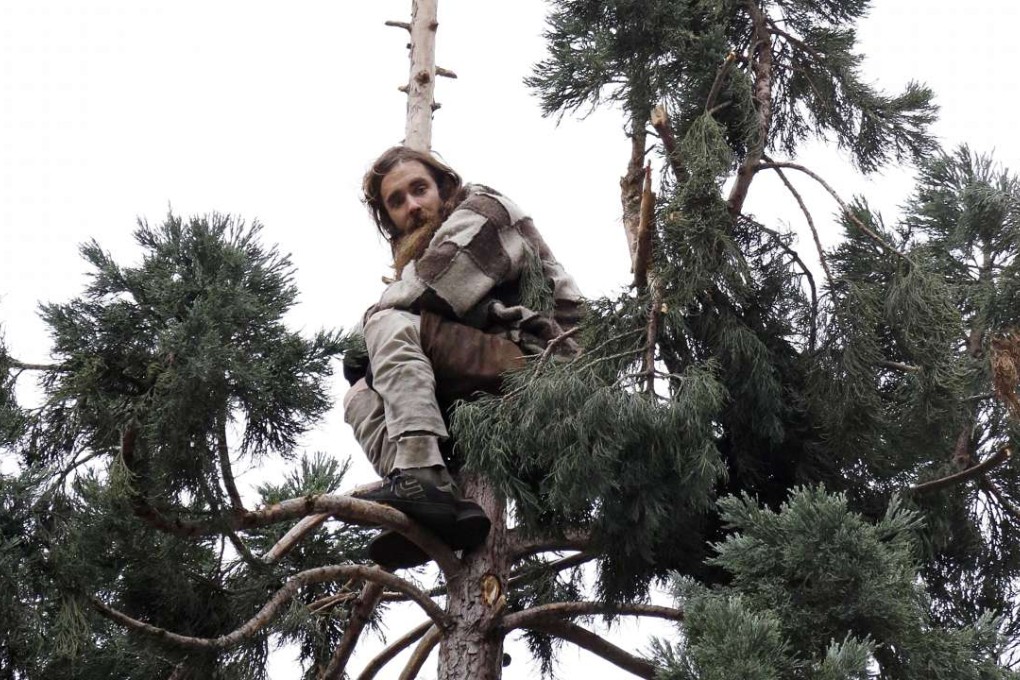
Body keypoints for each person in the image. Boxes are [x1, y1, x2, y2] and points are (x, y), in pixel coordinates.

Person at [344, 146, 583, 569]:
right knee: (360, 394)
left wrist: (368, 330)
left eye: (420, 189)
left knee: (387, 325)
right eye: (396, 201)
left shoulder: (486, 211)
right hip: (489, 370)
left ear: (444, 186)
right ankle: (432, 503)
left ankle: (420, 474)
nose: (412, 206)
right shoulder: (423, 249)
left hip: (548, 366)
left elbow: (431, 289)